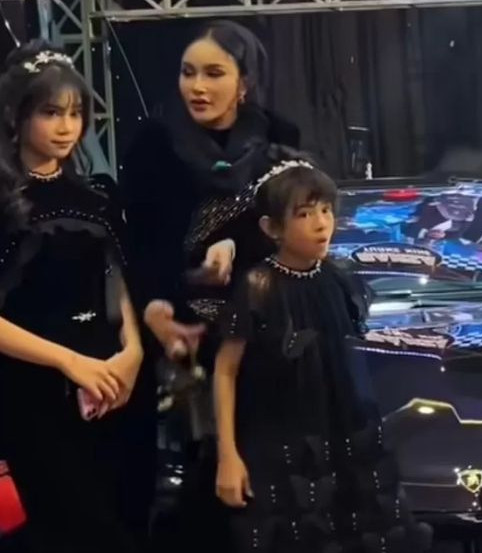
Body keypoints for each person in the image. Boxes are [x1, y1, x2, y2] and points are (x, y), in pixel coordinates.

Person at [121, 20, 300, 547]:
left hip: (263, 333)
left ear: (245, 82)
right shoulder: (153, 145)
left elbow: (289, 227)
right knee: (198, 489)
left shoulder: (279, 140)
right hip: (183, 335)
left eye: (214, 73)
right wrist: (156, 307)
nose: (197, 86)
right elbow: (138, 245)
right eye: (188, 72)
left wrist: (235, 246)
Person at [212, 160, 434, 553]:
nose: (321, 224)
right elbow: (226, 371)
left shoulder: (337, 278)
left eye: (326, 210)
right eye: (304, 214)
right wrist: (227, 454)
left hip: (346, 436)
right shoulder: (258, 286)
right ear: (272, 228)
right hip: (282, 443)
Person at [0, 40, 143, 552]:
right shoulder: (5, 202)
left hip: (109, 386)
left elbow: (115, 280)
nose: (66, 126)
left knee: (121, 514)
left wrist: (133, 350)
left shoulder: (96, 196)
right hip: (31, 393)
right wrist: (68, 361)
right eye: (50, 113)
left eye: (76, 113)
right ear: (17, 116)